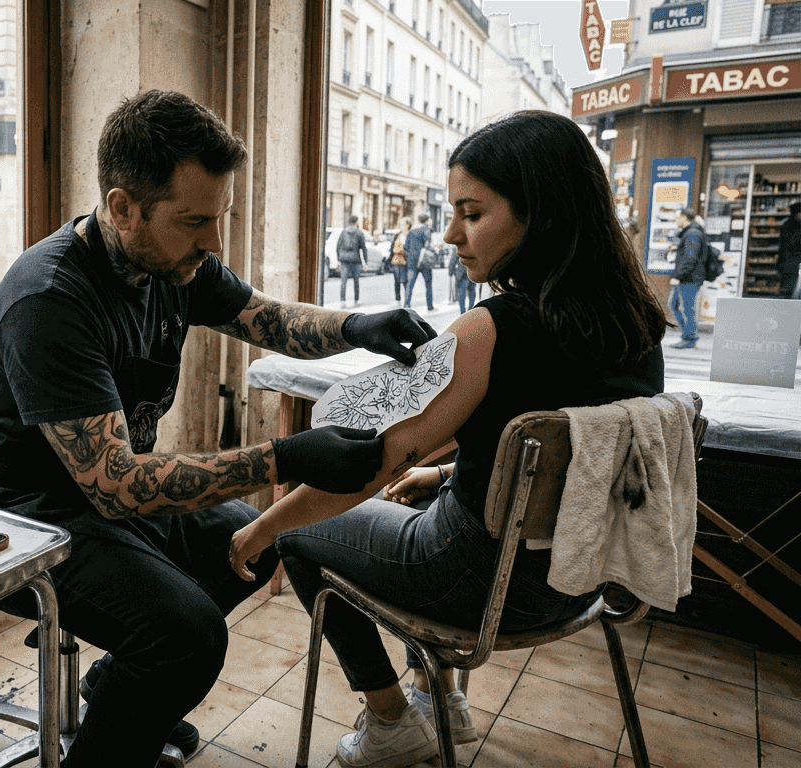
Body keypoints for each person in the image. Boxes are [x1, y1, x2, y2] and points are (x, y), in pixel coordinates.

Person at [0, 89, 437, 768]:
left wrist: (357, 327)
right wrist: (284, 456)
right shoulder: (49, 299)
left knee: (253, 543)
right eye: (194, 222)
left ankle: (120, 698)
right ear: (122, 207)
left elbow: (267, 319)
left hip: (100, 506)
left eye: (222, 217)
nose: (214, 242)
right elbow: (120, 486)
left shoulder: (175, 264)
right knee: (187, 634)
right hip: (22, 522)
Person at [228, 110, 668, 768]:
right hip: (583, 576)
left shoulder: (488, 330)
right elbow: (554, 435)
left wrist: (258, 528)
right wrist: (442, 473)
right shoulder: (639, 323)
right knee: (429, 499)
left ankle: (391, 722)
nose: (449, 233)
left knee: (299, 535)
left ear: (539, 213)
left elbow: (370, 464)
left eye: (472, 212)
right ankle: (442, 702)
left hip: (484, 586)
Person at [669, 207, 706, 349]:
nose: (675, 220)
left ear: (684, 217)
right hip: (688, 276)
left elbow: (691, 257)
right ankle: (687, 335)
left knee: (686, 308)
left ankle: (690, 337)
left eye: (677, 217)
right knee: (674, 305)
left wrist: (678, 276)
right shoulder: (691, 233)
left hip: (689, 278)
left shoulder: (692, 233)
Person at [403, 213, 435, 311]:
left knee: (410, 284)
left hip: (412, 261)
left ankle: (407, 305)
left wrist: (410, 257)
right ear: (426, 220)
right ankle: (430, 306)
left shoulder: (412, 230)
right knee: (428, 284)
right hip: (424, 262)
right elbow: (427, 245)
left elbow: (406, 247)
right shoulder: (427, 230)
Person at [337, 215, 367, 305]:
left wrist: (338, 259)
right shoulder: (359, 232)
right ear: (356, 222)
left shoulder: (343, 232)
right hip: (355, 259)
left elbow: (338, 247)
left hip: (344, 260)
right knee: (356, 281)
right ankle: (356, 300)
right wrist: (365, 262)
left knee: (343, 282)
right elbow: (364, 248)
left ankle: (342, 302)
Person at [779, 201, 801, 300]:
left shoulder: (787, 224)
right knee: (791, 293)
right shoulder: (790, 227)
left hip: (789, 264)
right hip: (791, 265)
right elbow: (792, 245)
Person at [390, 216, 411, 304]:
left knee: (405, 281)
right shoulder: (398, 235)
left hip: (405, 261)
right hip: (396, 260)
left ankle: (407, 301)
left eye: (402, 224)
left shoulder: (410, 235)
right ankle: (397, 299)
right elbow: (392, 247)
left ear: (407, 225)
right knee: (396, 281)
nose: (400, 226)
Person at [449, 243, 475, 313]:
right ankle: (470, 310)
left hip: (462, 274)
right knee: (471, 293)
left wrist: (451, 272)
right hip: (471, 272)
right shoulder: (473, 245)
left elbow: (453, 261)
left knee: (462, 294)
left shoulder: (458, 246)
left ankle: (463, 312)